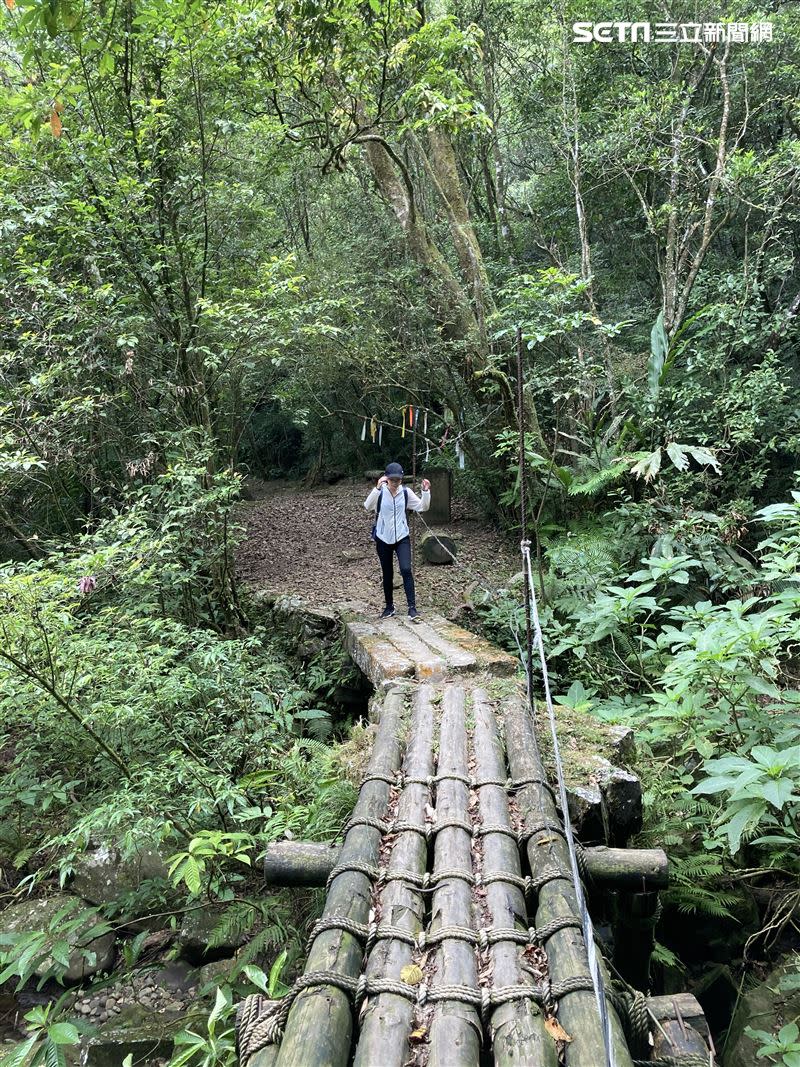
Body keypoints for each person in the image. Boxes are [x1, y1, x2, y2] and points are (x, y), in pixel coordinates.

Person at [364, 462, 431, 619]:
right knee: (387, 573)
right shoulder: (380, 493)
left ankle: (412, 608)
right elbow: (367, 506)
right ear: (386, 479)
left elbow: (422, 507)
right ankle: (389, 607)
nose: (395, 483)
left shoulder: (406, 493)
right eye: (392, 480)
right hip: (383, 538)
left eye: (398, 480)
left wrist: (426, 492)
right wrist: (377, 488)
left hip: (402, 537)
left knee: (406, 569)